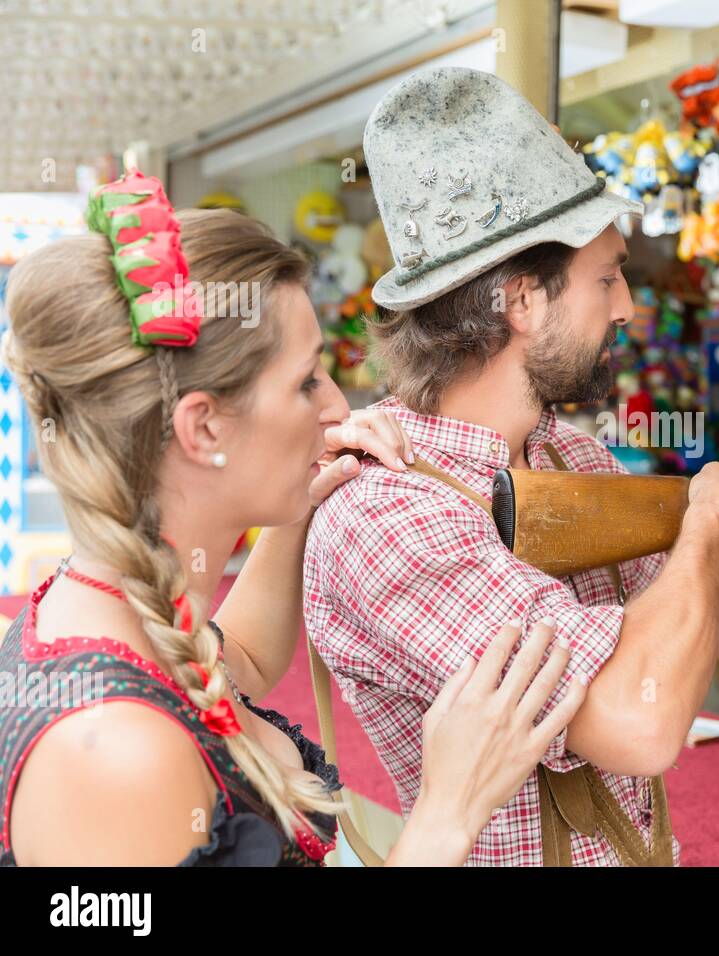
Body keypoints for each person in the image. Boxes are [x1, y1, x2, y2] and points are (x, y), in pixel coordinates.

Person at [302, 66, 719, 866]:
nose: (626, 306)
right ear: (520, 302)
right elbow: (638, 720)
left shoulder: (570, 454)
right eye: (606, 277)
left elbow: (690, 631)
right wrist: (704, 530)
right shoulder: (389, 517)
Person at [0, 170, 586, 866]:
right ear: (204, 429)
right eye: (307, 382)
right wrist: (447, 812)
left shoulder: (112, 608)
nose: (340, 407)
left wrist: (297, 503)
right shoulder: (118, 751)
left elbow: (236, 663)